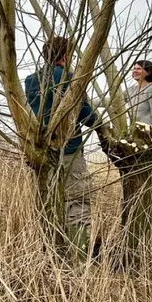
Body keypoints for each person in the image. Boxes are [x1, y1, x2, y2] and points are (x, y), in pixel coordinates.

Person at [24, 35, 103, 260]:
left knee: (50, 201)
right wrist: (100, 125)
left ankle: (51, 254)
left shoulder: (31, 80)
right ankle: (77, 259)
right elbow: (84, 113)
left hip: (40, 151)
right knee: (78, 201)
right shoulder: (70, 78)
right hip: (68, 149)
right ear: (66, 55)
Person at [127, 59, 152, 129]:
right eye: (134, 69)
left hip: (146, 132)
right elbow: (115, 99)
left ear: (148, 72)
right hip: (133, 131)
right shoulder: (132, 89)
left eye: (139, 69)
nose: (135, 71)